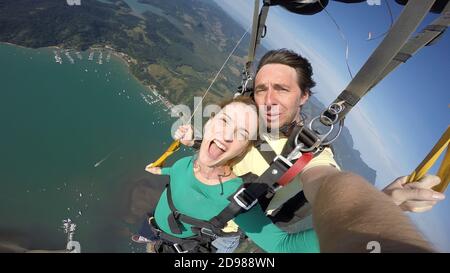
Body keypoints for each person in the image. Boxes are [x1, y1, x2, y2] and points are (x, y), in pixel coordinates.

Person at [176, 49, 445, 233]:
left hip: (215, 234)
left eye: (282, 89)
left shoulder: (310, 154)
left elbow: (325, 183)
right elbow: (226, 149)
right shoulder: (246, 119)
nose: (268, 100)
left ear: (303, 96)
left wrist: (375, 203)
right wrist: (194, 140)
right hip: (182, 206)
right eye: (261, 89)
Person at [142, 96, 320, 253]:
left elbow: (283, 246)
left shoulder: (236, 199)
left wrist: (344, 232)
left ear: (244, 149)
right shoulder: (189, 161)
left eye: (241, 133)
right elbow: (177, 172)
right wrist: (161, 170)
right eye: (224, 121)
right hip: (160, 232)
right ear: (210, 122)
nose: (226, 135)